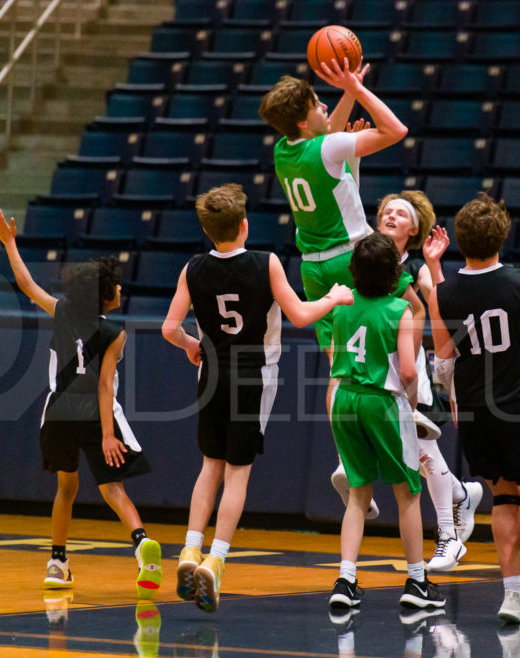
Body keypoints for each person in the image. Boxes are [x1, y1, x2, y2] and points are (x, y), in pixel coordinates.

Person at [161, 183, 353, 613]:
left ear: (209, 231)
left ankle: (190, 549)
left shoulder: (192, 267)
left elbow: (169, 329)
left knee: (209, 466)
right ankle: (216, 560)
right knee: (238, 474)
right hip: (253, 376)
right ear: (244, 225)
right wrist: (334, 296)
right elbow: (301, 316)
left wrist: (192, 345)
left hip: (210, 372)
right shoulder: (265, 263)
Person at [259, 58, 409, 519]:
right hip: (352, 254)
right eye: (318, 102)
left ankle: (346, 459)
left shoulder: (286, 150)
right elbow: (395, 130)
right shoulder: (326, 149)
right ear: (305, 119)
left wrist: (345, 93)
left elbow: (327, 137)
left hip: (313, 268)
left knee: (338, 368)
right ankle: (414, 400)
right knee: (410, 307)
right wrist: (357, 88)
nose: (326, 105)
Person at [0, 209, 162, 598]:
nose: (123, 290)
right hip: (94, 414)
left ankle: (58, 562)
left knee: (66, 489)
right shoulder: (116, 333)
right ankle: (141, 545)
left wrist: (10, 243)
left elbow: (27, 284)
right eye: (117, 286)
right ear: (106, 296)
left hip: (58, 414)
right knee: (114, 489)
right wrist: (106, 436)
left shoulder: (63, 311)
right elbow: (104, 388)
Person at [426, 193, 520, 625]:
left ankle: (513, 596)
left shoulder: (444, 294)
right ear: (503, 236)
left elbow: (443, 358)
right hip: (518, 404)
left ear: (460, 240)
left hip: (472, 410)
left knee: (504, 495)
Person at [327, 232, 445, 615]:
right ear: (395, 274)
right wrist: (409, 403)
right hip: (383, 402)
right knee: (407, 494)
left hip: (345, 399)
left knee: (358, 494)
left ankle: (345, 580)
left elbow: (334, 356)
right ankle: (416, 581)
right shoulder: (400, 310)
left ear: (353, 270)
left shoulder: (341, 306)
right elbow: (409, 371)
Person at [375, 190, 484, 571]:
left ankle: (449, 539)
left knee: (420, 446)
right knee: (413, 451)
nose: (390, 216)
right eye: (386, 211)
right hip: (372, 363)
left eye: (400, 214)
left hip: (407, 365)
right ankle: (460, 492)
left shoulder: (415, 267)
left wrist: (435, 265)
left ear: (415, 228)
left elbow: (443, 304)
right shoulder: (365, 255)